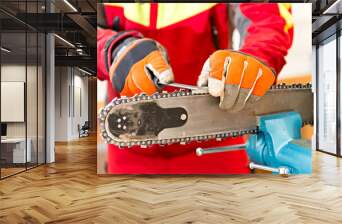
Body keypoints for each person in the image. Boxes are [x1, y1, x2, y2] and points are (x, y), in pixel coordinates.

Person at [97, 3, 294, 174]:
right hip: (128, 143)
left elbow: (268, 18)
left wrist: (256, 54)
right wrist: (113, 48)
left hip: (216, 139)